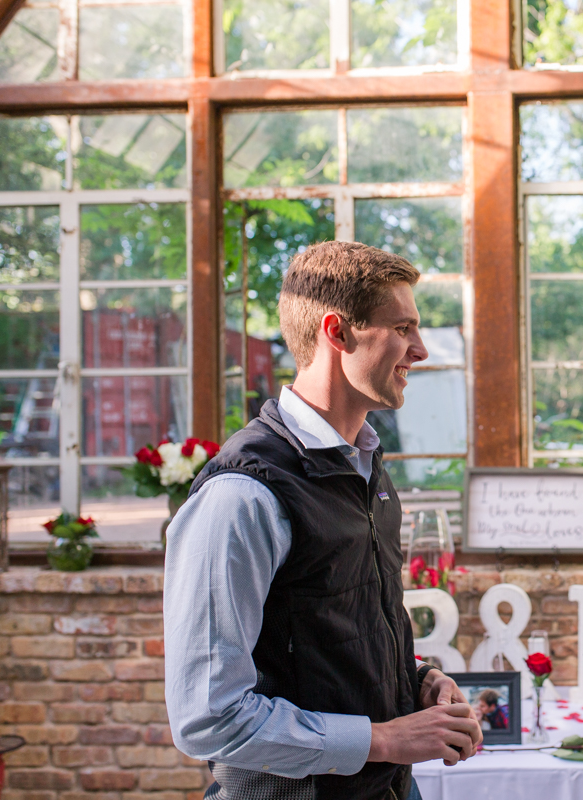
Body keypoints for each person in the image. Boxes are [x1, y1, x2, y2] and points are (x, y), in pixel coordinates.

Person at [164, 242, 483, 800]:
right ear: (337, 333)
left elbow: (333, 632)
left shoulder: (365, 466)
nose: (421, 349)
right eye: (403, 328)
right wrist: (385, 739)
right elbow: (207, 719)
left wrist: (418, 682)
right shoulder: (241, 497)